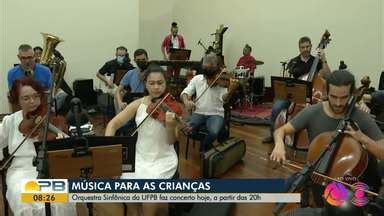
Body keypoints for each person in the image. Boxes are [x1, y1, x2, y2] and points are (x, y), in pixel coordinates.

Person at [270, 70, 384, 210]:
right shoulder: (312, 112)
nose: (337, 103)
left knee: (340, 207)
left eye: (343, 98)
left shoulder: (360, 117)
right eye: (333, 96)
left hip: (346, 179)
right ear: (326, 92)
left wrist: (362, 138)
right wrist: (279, 144)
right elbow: (280, 130)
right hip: (316, 171)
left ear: (352, 95)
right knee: (283, 193)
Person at [105, 64, 178, 216]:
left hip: (162, 158)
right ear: (146, 84)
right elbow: (113, 124)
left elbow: (171, 141)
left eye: (160, 83)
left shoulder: (172, 107)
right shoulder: (138, 104)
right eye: (152, 83)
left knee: (149, 195)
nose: (156, 87)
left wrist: (170, 126)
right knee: (125, 186)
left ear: (166, 84)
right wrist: (109, 150)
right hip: (139, 156)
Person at [0, 77, 76, 216]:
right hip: (21, 171)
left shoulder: (50, 119)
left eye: (36, 96)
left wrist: (62, 142)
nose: (33, 102)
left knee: (61, 201)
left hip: (51, 168)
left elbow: (67, 151)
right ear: (18, 100)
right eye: (26, 98)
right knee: (24, 199)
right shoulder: (10, 121)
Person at [263, 36, 331, 143]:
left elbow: (328, 76)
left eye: (307, 46)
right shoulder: (293, 62)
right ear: (299, 48)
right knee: (277, 107)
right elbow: (287, 77)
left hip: (311, 95)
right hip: (293, 94)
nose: (305, 49)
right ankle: (273, 134)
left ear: (311, 46)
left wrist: (324, 59)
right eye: (303, 47)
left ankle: (317, 138)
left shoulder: (316, 61)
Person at [180, 53, 238, 153]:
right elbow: (185, 92)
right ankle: (206, 143)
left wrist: (231, 91)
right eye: (206, 70)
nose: (209, 76)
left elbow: (224, 99)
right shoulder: (197, 79)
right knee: (186, 129)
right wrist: (186, 101)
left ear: (216, 68)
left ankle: (204, 147)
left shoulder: (221, 80)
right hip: (199, 113)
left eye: (211, 70)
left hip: (216, 114)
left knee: (214, 132)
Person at [114, 48, 148, 113]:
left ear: (147, 59)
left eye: (143, 60)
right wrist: (120, 102)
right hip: (134, 100)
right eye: (138, 60)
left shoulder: (152, 72)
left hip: (147, 100)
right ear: (134, 60)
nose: (141, 62)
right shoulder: (131, 73)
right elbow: (118, 90)